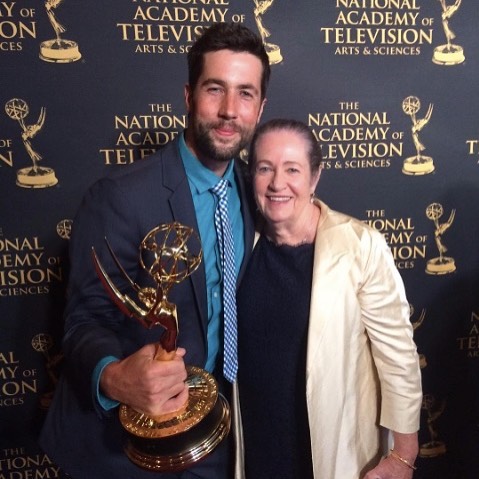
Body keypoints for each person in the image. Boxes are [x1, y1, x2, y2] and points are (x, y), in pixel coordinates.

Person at [39, 22, 270, 479]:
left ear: (260, 109)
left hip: (223, 441)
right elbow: (84, 320)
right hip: (125, 448)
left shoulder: (260, 194)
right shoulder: (120, 196)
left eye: (245, 94)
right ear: (188, 97)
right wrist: (114, 376)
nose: (228, 111)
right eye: (214, 89)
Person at [236, 118, 422, 479]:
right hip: (257, 448)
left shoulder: (360, 245)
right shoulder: (240, 244)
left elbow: (398, 358)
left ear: (314, 177)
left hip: (337, 453)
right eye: (265, 169)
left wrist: (403, 455)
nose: (278, 183)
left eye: (293, 169)